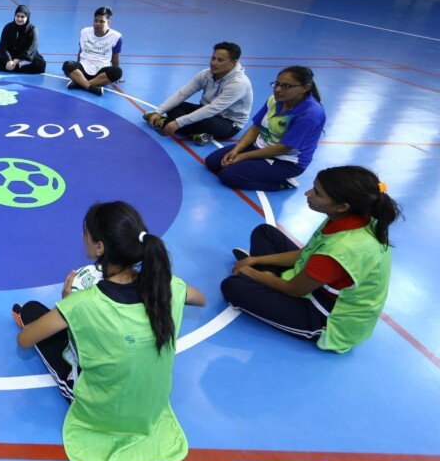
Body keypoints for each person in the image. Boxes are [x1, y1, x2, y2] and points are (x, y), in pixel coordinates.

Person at [13, 202, 205, 461]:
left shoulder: (82, 304)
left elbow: (24, 340)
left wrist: (67, 305)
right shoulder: (167, 286)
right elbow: (200, 298)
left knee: (32, 311)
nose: (83, 238)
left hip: (103, 414)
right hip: (151, 410)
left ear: (100, 247)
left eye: (86, 234)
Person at [222, 166, 400, 353]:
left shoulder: (343, 249)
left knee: (233, 287)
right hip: (312, 282)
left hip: (326, 317)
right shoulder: (350, 218)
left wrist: (250, 272)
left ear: (342, 206)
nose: (308, 193)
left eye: (317, 193)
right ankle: (268, 277)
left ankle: (265, 280)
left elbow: (294, 289)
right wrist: (256, 262)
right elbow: (307, 254)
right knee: (265, 232)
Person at [205, 66, 325, 191]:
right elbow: (256, 127)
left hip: (285, 161)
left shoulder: (310, 114)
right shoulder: (275, 100)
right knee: (212, 162)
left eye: (286, 86)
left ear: (305, 87)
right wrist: (237, 149)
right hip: (260, 147)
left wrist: (242, 156)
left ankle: (283, 183)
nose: (278, 89)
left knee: (228, 176)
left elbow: (282, 149)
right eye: (277, 84)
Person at [143, 42, 254, 146]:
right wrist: (159, 111)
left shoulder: (239, 84)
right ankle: (196, 134)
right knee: (174, 107)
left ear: (233, 62)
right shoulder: (205, 74)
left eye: (220, 60)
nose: (213, 63)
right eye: (213, 58)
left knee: (207, 123)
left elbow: (213, 109)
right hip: (204, 110)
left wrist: (178, 122)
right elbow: (182, 94)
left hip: (228, 122)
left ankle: (165, 122)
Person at [62, 6, 122, 96]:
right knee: (67, 65)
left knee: (118, 72)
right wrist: (76, 67)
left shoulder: (116, 36)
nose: (97, 24)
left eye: (102, 21)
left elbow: (115, 58)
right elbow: (80, 51)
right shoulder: (85, 32)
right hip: (83, 70)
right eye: (95, 20)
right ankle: (90, 87)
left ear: (108, 23)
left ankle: (80, 83)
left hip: (100, 73)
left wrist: (117, 77)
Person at [0, 4, 46, 74]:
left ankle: (8, 67)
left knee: (41, 64)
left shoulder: (32, 30)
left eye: (22, 17)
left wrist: (16, 61)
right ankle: (16, 68)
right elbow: (3, 46)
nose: (19, 19)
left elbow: (30, 49)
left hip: (25, 58)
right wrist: (8, 60)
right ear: (14, 16)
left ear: (27, 17)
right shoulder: (8, 27)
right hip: (11, 54)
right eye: (17, 16)